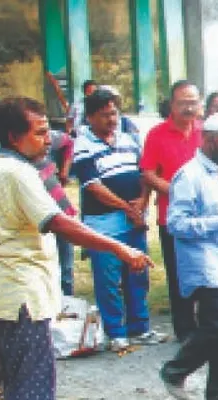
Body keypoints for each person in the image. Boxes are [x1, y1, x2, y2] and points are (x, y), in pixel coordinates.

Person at [0, 96, 152, 400]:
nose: (47, 140)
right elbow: (58, 222)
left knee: (30, 372)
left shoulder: (15, 168)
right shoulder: (15, 173)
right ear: (13, 136)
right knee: (25, 376)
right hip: (17, 289)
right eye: (39, 132)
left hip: (21, 286)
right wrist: (117, 247)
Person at [160, 113, 218, 400]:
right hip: (201, 259)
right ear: (210, 140)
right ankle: (175, 370)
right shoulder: (189, 176)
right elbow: (176, 224)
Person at [70, 87, 166, 352]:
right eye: (104, 115)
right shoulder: (83, 144)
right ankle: (115, 331)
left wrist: (143, 200)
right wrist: (127, 207)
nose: (111, 120)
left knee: (138, 273)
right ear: (90, 117)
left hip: (134, 219)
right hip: (105, 222)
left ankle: (140, 326)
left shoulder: (129, 138)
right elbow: (93, 186)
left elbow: (145, 172)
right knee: (108, 278)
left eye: (114, 113)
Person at [142, 80, 203, 342]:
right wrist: (178, 192)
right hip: (173, 216)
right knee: (178, 275)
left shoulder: (206, 132)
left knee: (205, 271)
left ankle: (206, 327)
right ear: (172, 104)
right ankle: (185, 329)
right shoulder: (157, 134)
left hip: (205, 216)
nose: (188, 108)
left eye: (193, 102)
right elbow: (148, 173)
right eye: (183, 103)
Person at [44, 126, 77, 296]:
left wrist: (64, 171)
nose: (47, 140)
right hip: (39, 221)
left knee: (66, 269)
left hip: (59, 210)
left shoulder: (47, 140)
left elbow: (69, 142)